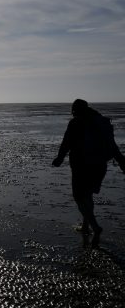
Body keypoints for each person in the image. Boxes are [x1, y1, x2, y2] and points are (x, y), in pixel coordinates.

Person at [52, 99, 125, 247]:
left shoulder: (76, 123)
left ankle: (95, 227)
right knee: (88, 195)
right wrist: (122, 162)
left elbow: (66, 143)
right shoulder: (101, 122)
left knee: (79, 197)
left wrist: (59, 159)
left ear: (75, 110)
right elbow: (112, 145)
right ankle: (85, 226)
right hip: (99, 166)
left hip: (81, 165)